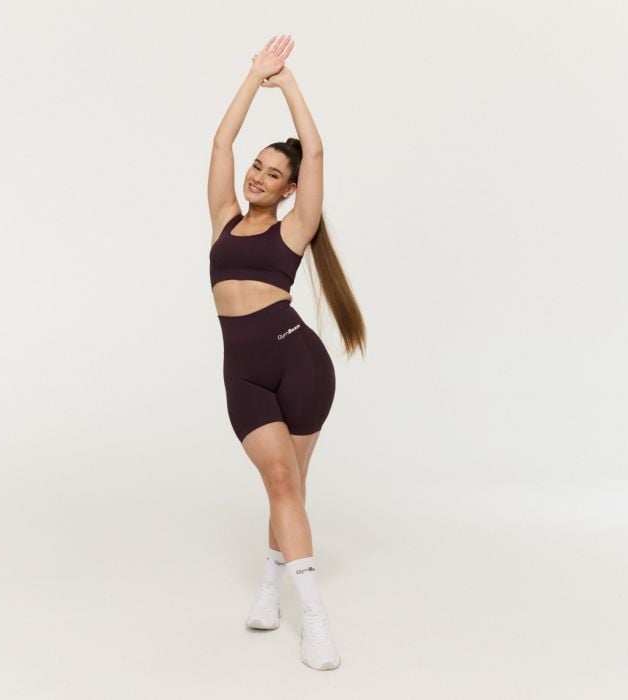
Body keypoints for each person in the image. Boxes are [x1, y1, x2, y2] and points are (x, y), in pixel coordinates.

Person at [207, 34, 366, 671]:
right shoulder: (223, 217)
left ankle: (305, 613)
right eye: (258, 166)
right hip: (244, 375)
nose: (257, 176)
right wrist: (255, 77)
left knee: (286, 485)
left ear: (291, 189)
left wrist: (291, 86)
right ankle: (276, 587)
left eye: (274, 174)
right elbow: (221, 144)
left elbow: (317, 151)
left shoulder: (294, 229)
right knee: (281, 481)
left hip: (299, 365)